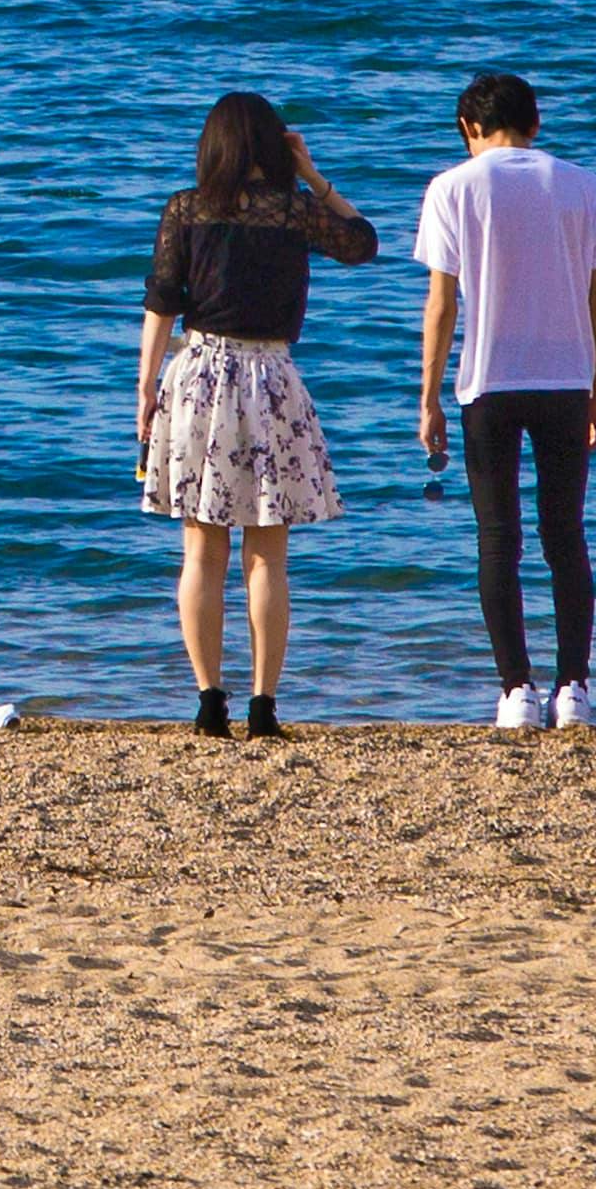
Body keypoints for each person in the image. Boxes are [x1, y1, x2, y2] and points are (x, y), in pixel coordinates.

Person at [135, 89, 375, 739]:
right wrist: (313, 176)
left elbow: (161, 303)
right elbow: (362, 244)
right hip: (270, 377)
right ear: (274, 147)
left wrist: (146, 390)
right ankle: (264, 706)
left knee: (201, 552)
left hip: (199, 376)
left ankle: (209, 700)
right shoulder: (295, 215)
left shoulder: (186, 210)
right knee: (268, 556)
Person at [414, 70, 596, 732]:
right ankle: (574, 690)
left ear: (471, 129)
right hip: (565, 378)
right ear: (534, 123)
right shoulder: (581, 186)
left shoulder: (452, 187)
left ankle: (516, 691)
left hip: (488, 380)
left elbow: (443, 305)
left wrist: (428, 399)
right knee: (566, 536)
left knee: (497, 540)